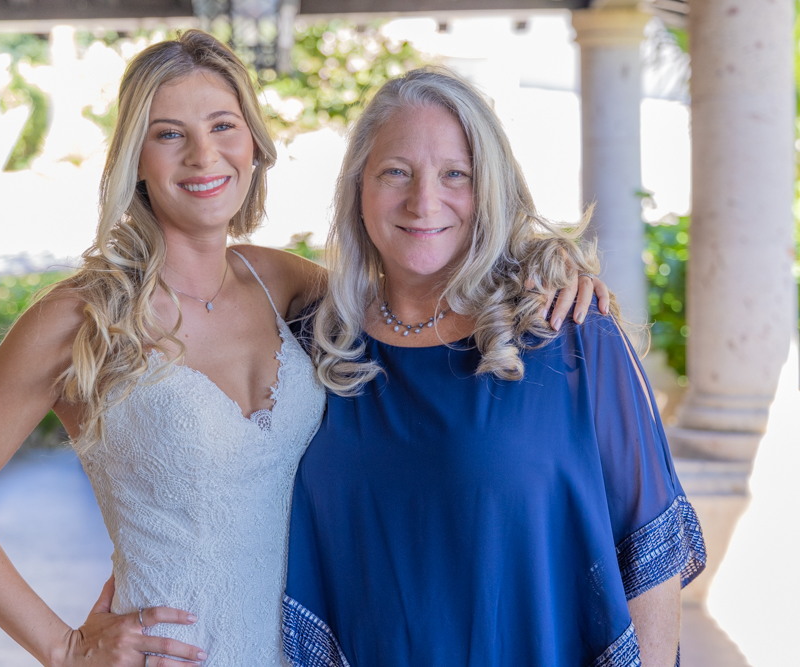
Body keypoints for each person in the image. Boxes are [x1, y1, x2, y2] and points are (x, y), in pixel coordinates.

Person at [0, 32, 607, 667]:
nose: (203, 155)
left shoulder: (285, 284)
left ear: (254, 145)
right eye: (169, 134)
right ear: (135, 158)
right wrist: (64, 647)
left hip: (310, 645)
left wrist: (547, 265)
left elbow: (420, 297)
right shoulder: (81, 317)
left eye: (222, 126)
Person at [283, 67, 705, 667]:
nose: (423, 201)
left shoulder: (568, 331)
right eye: (395, 172)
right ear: (358, 188)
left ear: (491, 190)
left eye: (456, 174)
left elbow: (650, 548)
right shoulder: (315, 343)